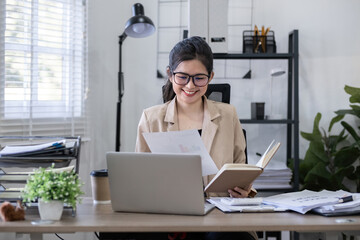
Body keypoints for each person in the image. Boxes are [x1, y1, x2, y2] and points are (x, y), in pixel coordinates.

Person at [134, 36, 257, 240]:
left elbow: (241, 170)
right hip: (169, 217)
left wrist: (246, 191)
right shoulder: (151, 118)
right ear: (170, 75)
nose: (190, 86)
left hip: (221, 217)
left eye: (199, 78)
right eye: (182, 77)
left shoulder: (228, 115)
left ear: (211, 76)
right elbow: (140, 178)